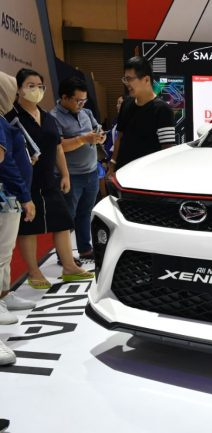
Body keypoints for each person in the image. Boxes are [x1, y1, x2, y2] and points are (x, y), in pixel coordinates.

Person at [4, 68, 93, 289]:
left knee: (62, 222)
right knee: (29, 226)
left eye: (40, 86)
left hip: (48, 178)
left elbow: (58, 148)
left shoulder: (47, 117)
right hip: (25, 181)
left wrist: (65, 174)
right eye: (30, 86)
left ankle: (69, 267)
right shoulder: (11, 117)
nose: (36, 90)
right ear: (18, 89)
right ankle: (34, 272)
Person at [1, 70, 37, 367]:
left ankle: (3, 294)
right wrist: (24, 195)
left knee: (3, 254)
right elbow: (5, 161)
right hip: (6, 197)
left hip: (8, 198)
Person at [51, 77, 105, 261]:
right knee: (67, 217)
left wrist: (100, 136)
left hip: (91, 172)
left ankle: (84, 249)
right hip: (70, 175)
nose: (82, 104)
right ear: (64, 97)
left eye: (84, 100)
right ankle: (64, 256)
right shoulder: (54, 117)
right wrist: (83, 139)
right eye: (78, 101)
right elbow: (59, 146)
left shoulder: (86, 113)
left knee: (85, 213)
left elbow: (98, 129)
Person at [107, 56, 175, 175]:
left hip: (146, 176)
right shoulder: (126, 104)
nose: (127, 84)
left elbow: (167, 149)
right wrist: (112, 165)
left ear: (146, 79)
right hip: (122, 173)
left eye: (130, 79)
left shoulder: (162, 110)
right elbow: (120, 137)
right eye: (125, 79)